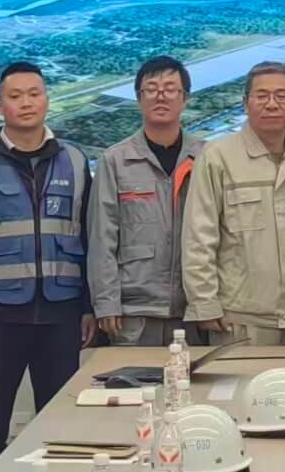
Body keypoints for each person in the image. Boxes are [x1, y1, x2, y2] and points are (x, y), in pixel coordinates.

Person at [0, 62, 94, 451]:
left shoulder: (75, 161)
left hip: (61, 314)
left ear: (47, 100)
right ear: (0, 106)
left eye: (34, 94)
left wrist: (89, 307)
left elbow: (89, 238)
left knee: (61, 422)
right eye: (15, 96)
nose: (26, 103)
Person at [182, 62, 285, 345]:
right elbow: (199, 237)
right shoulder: (218, 157)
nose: (272, 104)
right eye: (262, 96)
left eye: (281, 95)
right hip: (240, 318)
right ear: (245, 103)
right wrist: (204, 303)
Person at [89, 55, 207, 347]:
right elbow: (102, 237)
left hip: (194, 311)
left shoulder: (207, 158)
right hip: (134, 312)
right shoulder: (116, 161)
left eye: (170, 89)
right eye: (151, 89)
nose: (160, 96)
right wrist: (106, 303)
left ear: (185, 98)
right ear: (139, 98)